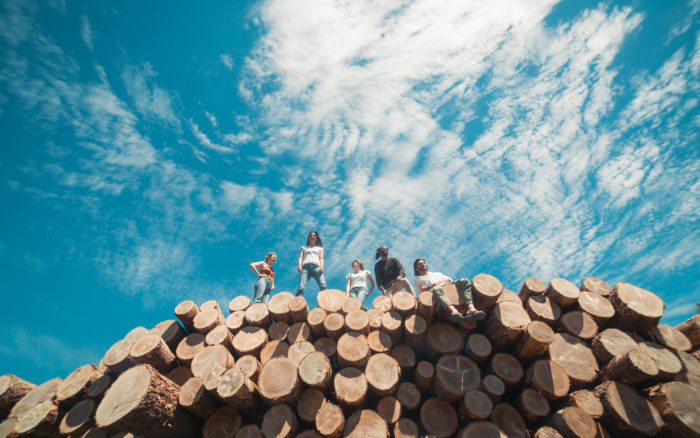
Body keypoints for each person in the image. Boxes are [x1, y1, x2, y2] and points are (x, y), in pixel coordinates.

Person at [413, 258, 486, 322]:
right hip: (435, 290)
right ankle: (454, 311)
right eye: (420, 264)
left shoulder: (436, 274)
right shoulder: (418, 280)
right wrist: (427, 288)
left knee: (465, 281)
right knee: (436, 288)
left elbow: (449, 279)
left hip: (447, 285)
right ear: (417, 268)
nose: (423, 264)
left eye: (424, 262)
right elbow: (422, 293)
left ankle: (471, 309)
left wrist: (438, 282)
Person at [296, 230, 327, 297]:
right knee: (301, 287)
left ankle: (327, 303)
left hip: (317, 267)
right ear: (308, 238)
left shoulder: (320, 249)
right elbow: (300, 257)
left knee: (323, 285)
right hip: (305, 268)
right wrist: (299, 265)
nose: (312, 236)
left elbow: (321, 258)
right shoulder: (304, 248)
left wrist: (321, 267)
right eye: (310, 235)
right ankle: (297, 302)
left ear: (316, 238)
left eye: (314, 235)